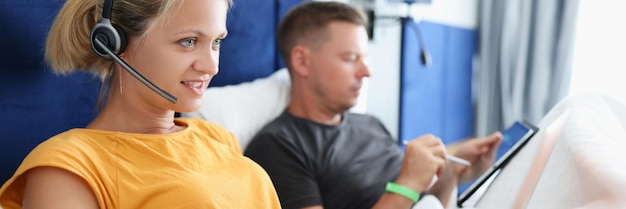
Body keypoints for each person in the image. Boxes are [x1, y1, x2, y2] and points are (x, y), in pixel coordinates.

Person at [0, 0, 281, 208]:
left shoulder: (216, 137)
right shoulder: (68, 168)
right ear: (114, 42)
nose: (211, 66)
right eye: (189, 41)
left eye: (216, 42)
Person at [244, 1, 502, 209]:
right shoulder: (278, 147)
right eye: (351, 58)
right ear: (302, 61)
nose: (367, 72)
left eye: (365, 58)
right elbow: (406, 191)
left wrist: (451, 169)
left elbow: (417, 198)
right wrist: (409, 183)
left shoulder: (369, 123)